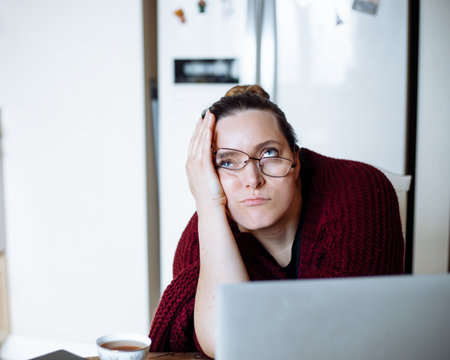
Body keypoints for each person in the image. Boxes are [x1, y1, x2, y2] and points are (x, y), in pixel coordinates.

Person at [149, 85, 404, 358]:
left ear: (296, 159)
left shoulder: (358, 192)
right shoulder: (204, 236)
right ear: (208, 175)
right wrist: (209, 206)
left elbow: (342, 339)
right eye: (227, 162)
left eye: (269, 153)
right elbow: (228, 345)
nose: (252, 180)